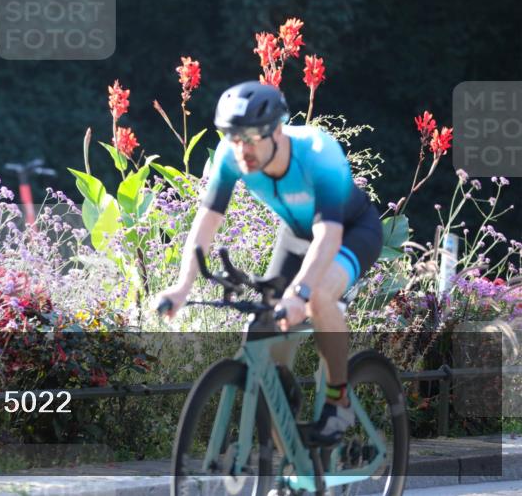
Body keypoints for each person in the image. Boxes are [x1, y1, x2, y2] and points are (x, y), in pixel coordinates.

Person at [156, 80, 383, 445]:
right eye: (232, 137)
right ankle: (292, 464)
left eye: (250, 138)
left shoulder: (317, 152)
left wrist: (298, 293)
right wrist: (183, 286)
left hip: (351, 231)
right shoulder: (232, 155)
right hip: (296, 235)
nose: (240, 149)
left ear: (276, 130)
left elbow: (328, 236)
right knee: (265, 332)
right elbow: (207, 220)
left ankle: (338, 401)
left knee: (318, 298)